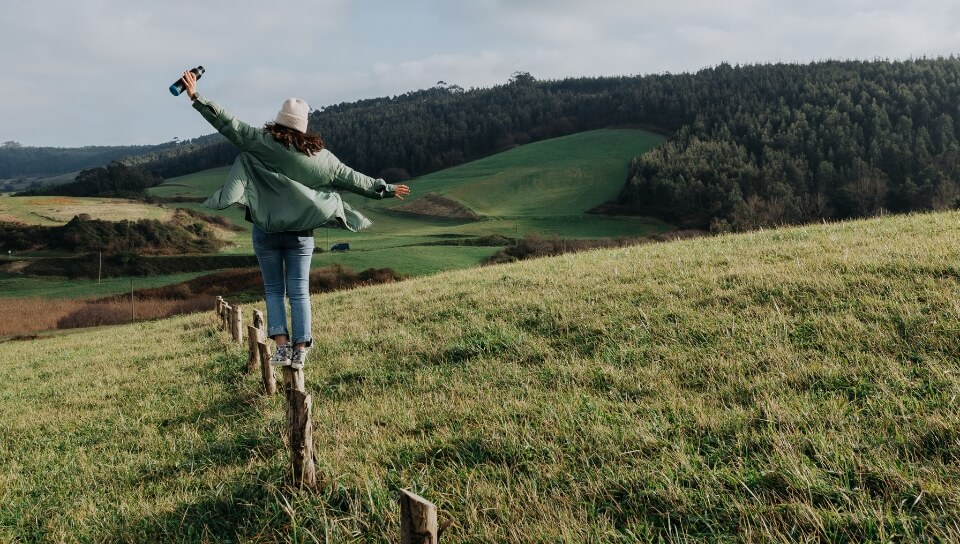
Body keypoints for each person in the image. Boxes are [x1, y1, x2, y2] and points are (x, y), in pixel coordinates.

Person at [178, 70, 411, 369]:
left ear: (278, 120)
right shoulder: (323, 160)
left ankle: (281, 348)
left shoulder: (259, 142)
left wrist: (196, 96)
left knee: (274, 290)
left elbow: (226, 121)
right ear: (304, 127)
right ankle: (301, 350)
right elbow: (356, 180)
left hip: (266, 230)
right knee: (299, 290)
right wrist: (386, 189)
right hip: (301, 234)